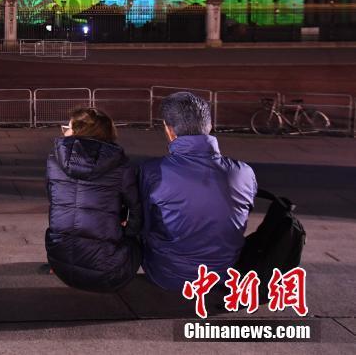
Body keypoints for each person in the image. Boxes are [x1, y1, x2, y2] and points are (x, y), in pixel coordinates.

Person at [140, 91, 257, 291]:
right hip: (225, 274)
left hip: (167, 275)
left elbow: (142, 224)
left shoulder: (153, 171)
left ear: (169, 130)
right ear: (209, 126)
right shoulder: (244, 172)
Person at [45, 108, 142, 292]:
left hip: (60, 264)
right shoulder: (121, 165)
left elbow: (55, 200)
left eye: (67, 126)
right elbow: (136, 211)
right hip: (109, 274)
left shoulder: (53, 160)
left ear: (77, 131)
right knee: (138, 235)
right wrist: (127, 232)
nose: (64, 130)